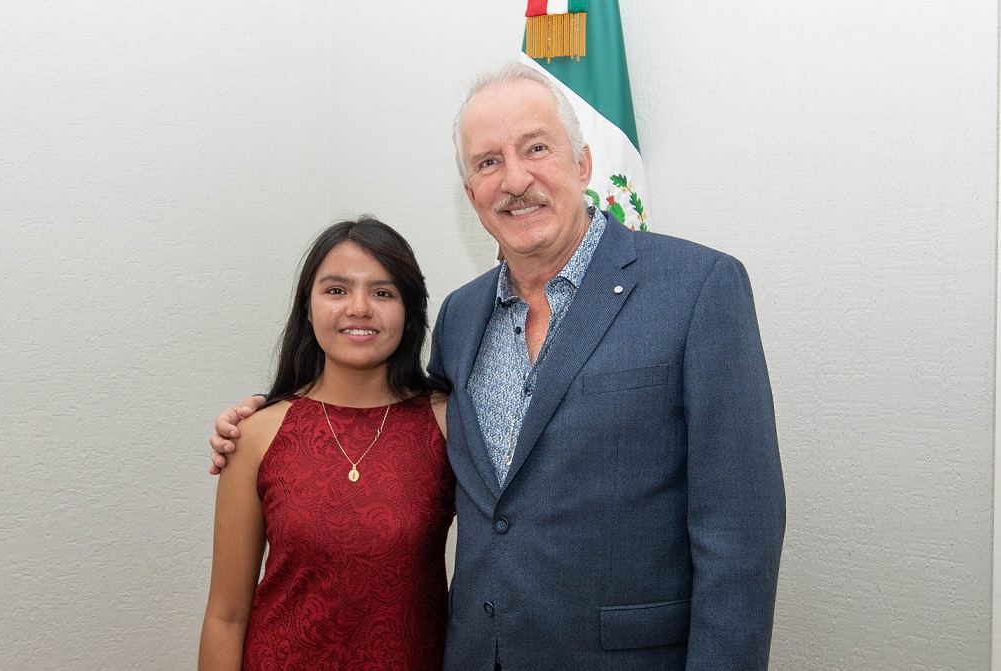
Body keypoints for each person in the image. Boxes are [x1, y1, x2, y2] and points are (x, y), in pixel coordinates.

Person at [211, 62, 785, 670]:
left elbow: (740, 533)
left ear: (583, 163)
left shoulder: (698, 288)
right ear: (471, 194)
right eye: (487, 162)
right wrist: (261, 421)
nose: (514, 179)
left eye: (535, 148)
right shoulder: (461, 317)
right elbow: (394, 432)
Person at [199, 218, 454, 670]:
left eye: (383, 292)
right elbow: (226, 615)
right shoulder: (255, 434)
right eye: (336, 290)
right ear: (308, 307)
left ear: (410, 311)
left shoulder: (447, 425)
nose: (359, 308)